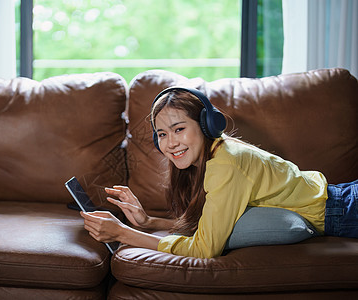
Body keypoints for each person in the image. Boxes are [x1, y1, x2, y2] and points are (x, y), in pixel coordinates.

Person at [81, 87, 358, 259]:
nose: (170, 143)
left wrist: (123, 234)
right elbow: (206, 224)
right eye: (162, 134)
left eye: (179, 129)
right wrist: (148, 223)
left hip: (343, 209)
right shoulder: (213, 157)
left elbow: (203, 249)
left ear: (207, 125)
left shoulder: (226, 164)